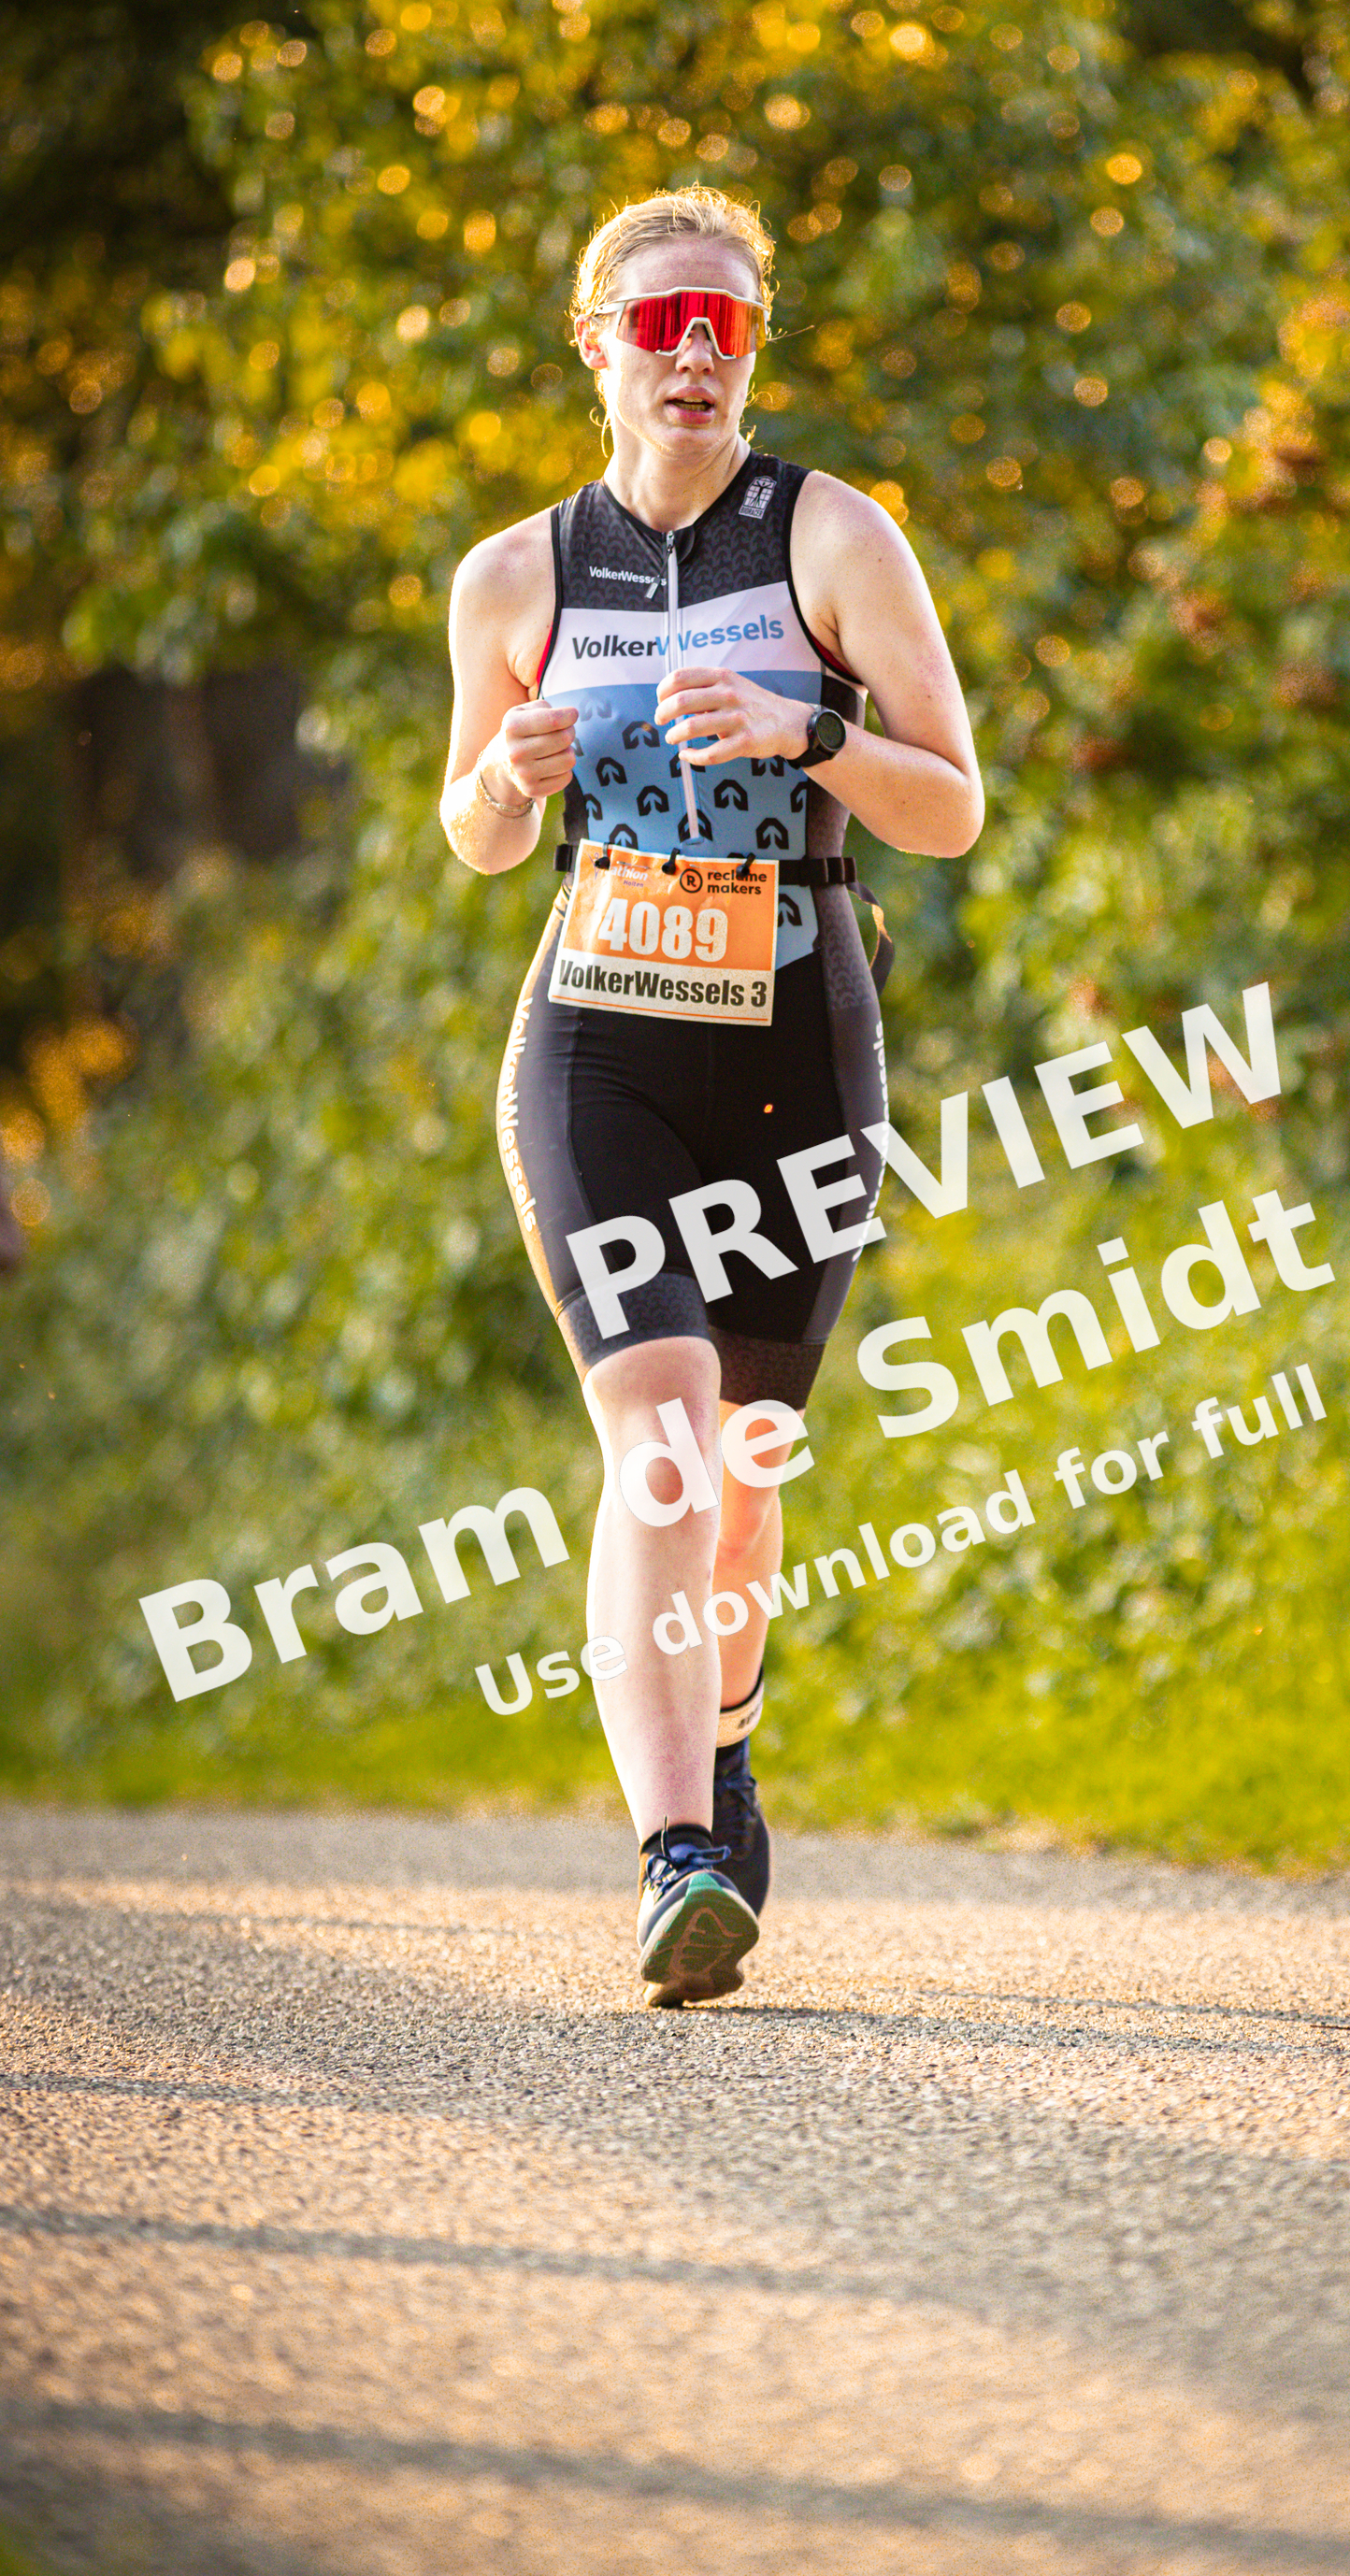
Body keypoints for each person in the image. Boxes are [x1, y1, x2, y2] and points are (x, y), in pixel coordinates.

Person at [440, 186, 982, 2004]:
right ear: (594, 345)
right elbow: (473, 828)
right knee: (658, 1443)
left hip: (795, 1046)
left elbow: (951, 802)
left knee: (741, 1476)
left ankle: (723, 1737)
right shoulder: (517, 577)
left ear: (752, 344)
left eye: (723, 325)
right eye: (657, 324)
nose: (692, 355)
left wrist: (812, 732)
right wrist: (506, 779)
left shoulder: (832, 539)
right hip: (596, 1043)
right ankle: (676, 1854)